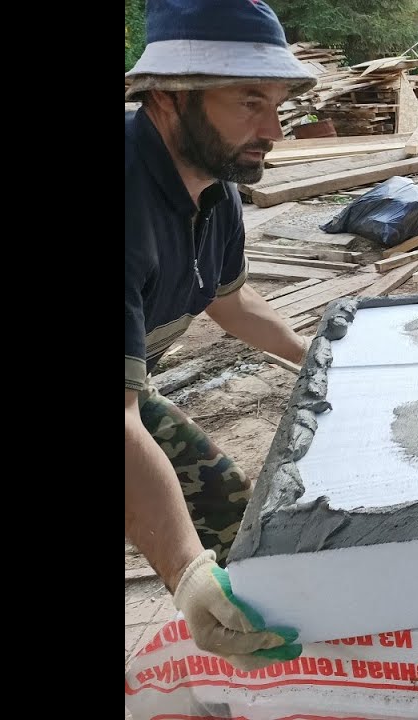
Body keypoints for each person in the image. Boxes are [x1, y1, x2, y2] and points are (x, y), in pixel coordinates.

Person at [125, 0, 319, 671]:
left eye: (278, 104)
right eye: (249, 101)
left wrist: (318, 360)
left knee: (228, 507)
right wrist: (185, 571)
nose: (274, 129)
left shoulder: (212, 186)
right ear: (168, 96)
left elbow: (230, 302)